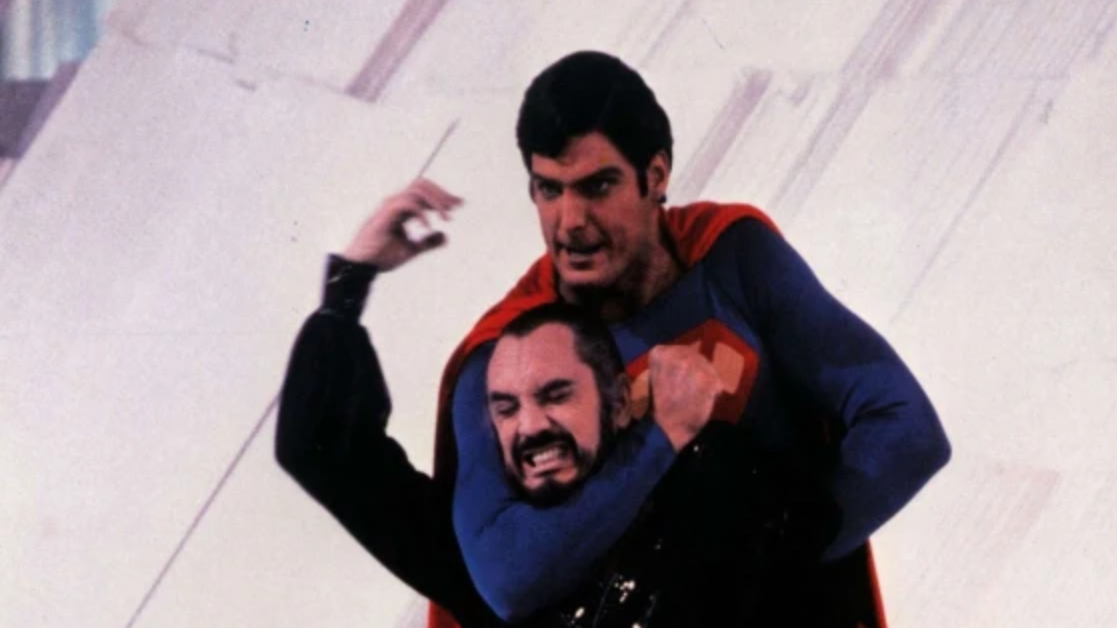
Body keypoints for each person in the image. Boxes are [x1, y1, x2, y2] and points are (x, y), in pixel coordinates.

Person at [418, 51, 953, 628]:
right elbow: (506, 577)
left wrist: (771, 571)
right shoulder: (506, 357)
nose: (570, 220)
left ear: (656, 175)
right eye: (549, 190)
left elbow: (907, 427)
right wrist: (658, 448)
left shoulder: (732, 258)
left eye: (598, 186)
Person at [275, 211, 840, 625]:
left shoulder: (719, 481)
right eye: (506, 408)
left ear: (619, 401)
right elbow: (317, 446)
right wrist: (350, 283)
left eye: (555, 395)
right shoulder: (487, 556)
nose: (530, 426)